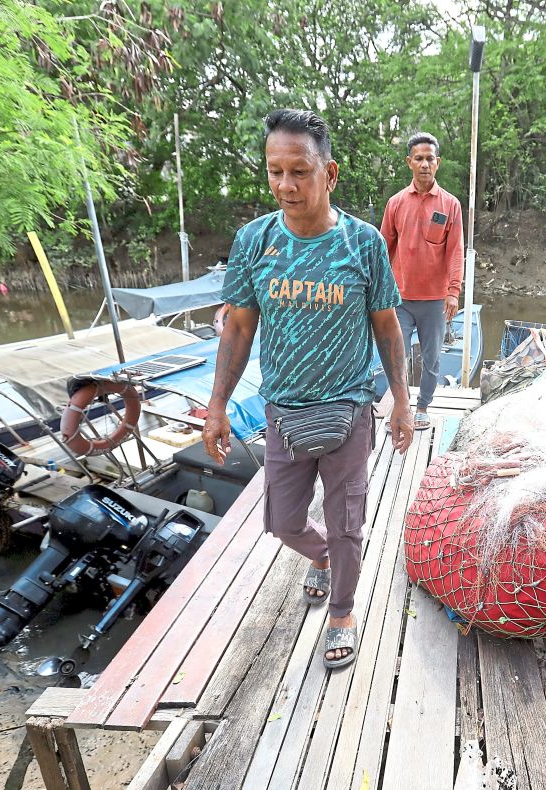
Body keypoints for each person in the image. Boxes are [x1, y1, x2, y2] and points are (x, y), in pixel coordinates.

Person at [204, 108, 414, 669]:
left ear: (330, 173)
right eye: (275, 172)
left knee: (348, 525)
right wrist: (218, 405)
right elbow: (240, 326)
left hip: (348, 408)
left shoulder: (364, 243)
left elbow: (386, 325)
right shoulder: (254, 242)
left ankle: (342, 613)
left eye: (299, 171)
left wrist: (401, 401)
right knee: (283, 521)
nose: (285, 185)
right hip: (283, 413)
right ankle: (318, 557)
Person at [381, 132, 465, 430]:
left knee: (431, 358)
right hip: (400, 298)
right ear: (409, 162)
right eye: (419, 158)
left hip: (434, 300)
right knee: (396, 356)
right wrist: (379, 289)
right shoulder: (395, 203)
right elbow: (384, 247)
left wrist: (453, 292)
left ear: (438, 163)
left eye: (430, 158)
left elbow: (455, 251)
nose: (425, 164)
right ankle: (401, 407)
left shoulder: (450, 205)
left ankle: (423, 407)